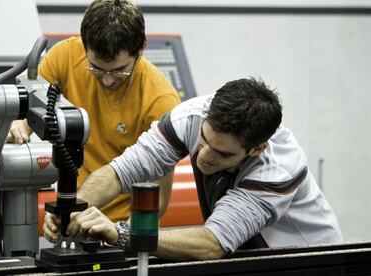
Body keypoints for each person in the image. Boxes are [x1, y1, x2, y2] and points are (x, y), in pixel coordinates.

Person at [43, 77, 343, 260]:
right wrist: (72, 208)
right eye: (204, 140)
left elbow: (213, 243)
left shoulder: (274, 171)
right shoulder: (192, 117)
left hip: (310, 260)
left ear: (256, 149)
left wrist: (119, 233)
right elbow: (122, 171)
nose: (205, 157)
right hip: (247, 255)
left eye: (222, 153)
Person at [8, 0, 181, 222]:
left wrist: (120, 236)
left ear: (140, 50)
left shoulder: (161, 101)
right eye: (96, 68)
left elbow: (157, 203)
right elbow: (26, 115)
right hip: (71, 206)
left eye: (119, 71)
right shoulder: (65, 57)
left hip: (118, 222)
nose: (107, 80)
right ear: (85, 45)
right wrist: (16, 128)